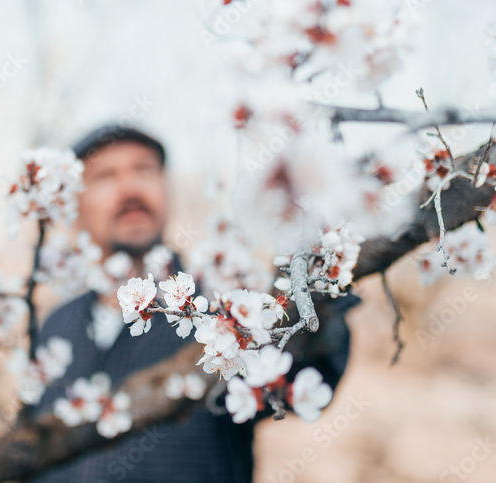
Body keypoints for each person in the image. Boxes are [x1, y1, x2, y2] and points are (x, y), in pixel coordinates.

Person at [29, 123, 358, 483]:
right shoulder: (57, 326)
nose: (130, 188)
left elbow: (312, 369)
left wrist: (316, 280)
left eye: (144, 170)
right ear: (75, 207)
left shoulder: (223, 302)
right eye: (106, 176)